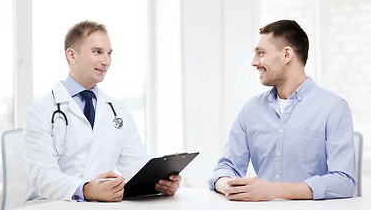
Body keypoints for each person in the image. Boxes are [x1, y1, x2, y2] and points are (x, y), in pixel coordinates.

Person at [24, 20, 181, 205]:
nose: (106, 61)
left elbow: (136, 166)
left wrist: (159, 184)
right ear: (72, 55)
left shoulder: (117, 112)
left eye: (109, 53)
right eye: (97, 52)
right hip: (51, 204)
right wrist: (86, 189)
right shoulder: (41, 111)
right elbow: (41, 176)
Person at [208, 20, 356, 201]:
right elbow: (225, 167)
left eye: (261, 53)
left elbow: (344, 182)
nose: (254, 62)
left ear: (286, 55)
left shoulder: (333, 108)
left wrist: (274, 191)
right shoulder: (251, 110)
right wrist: (227, 185)